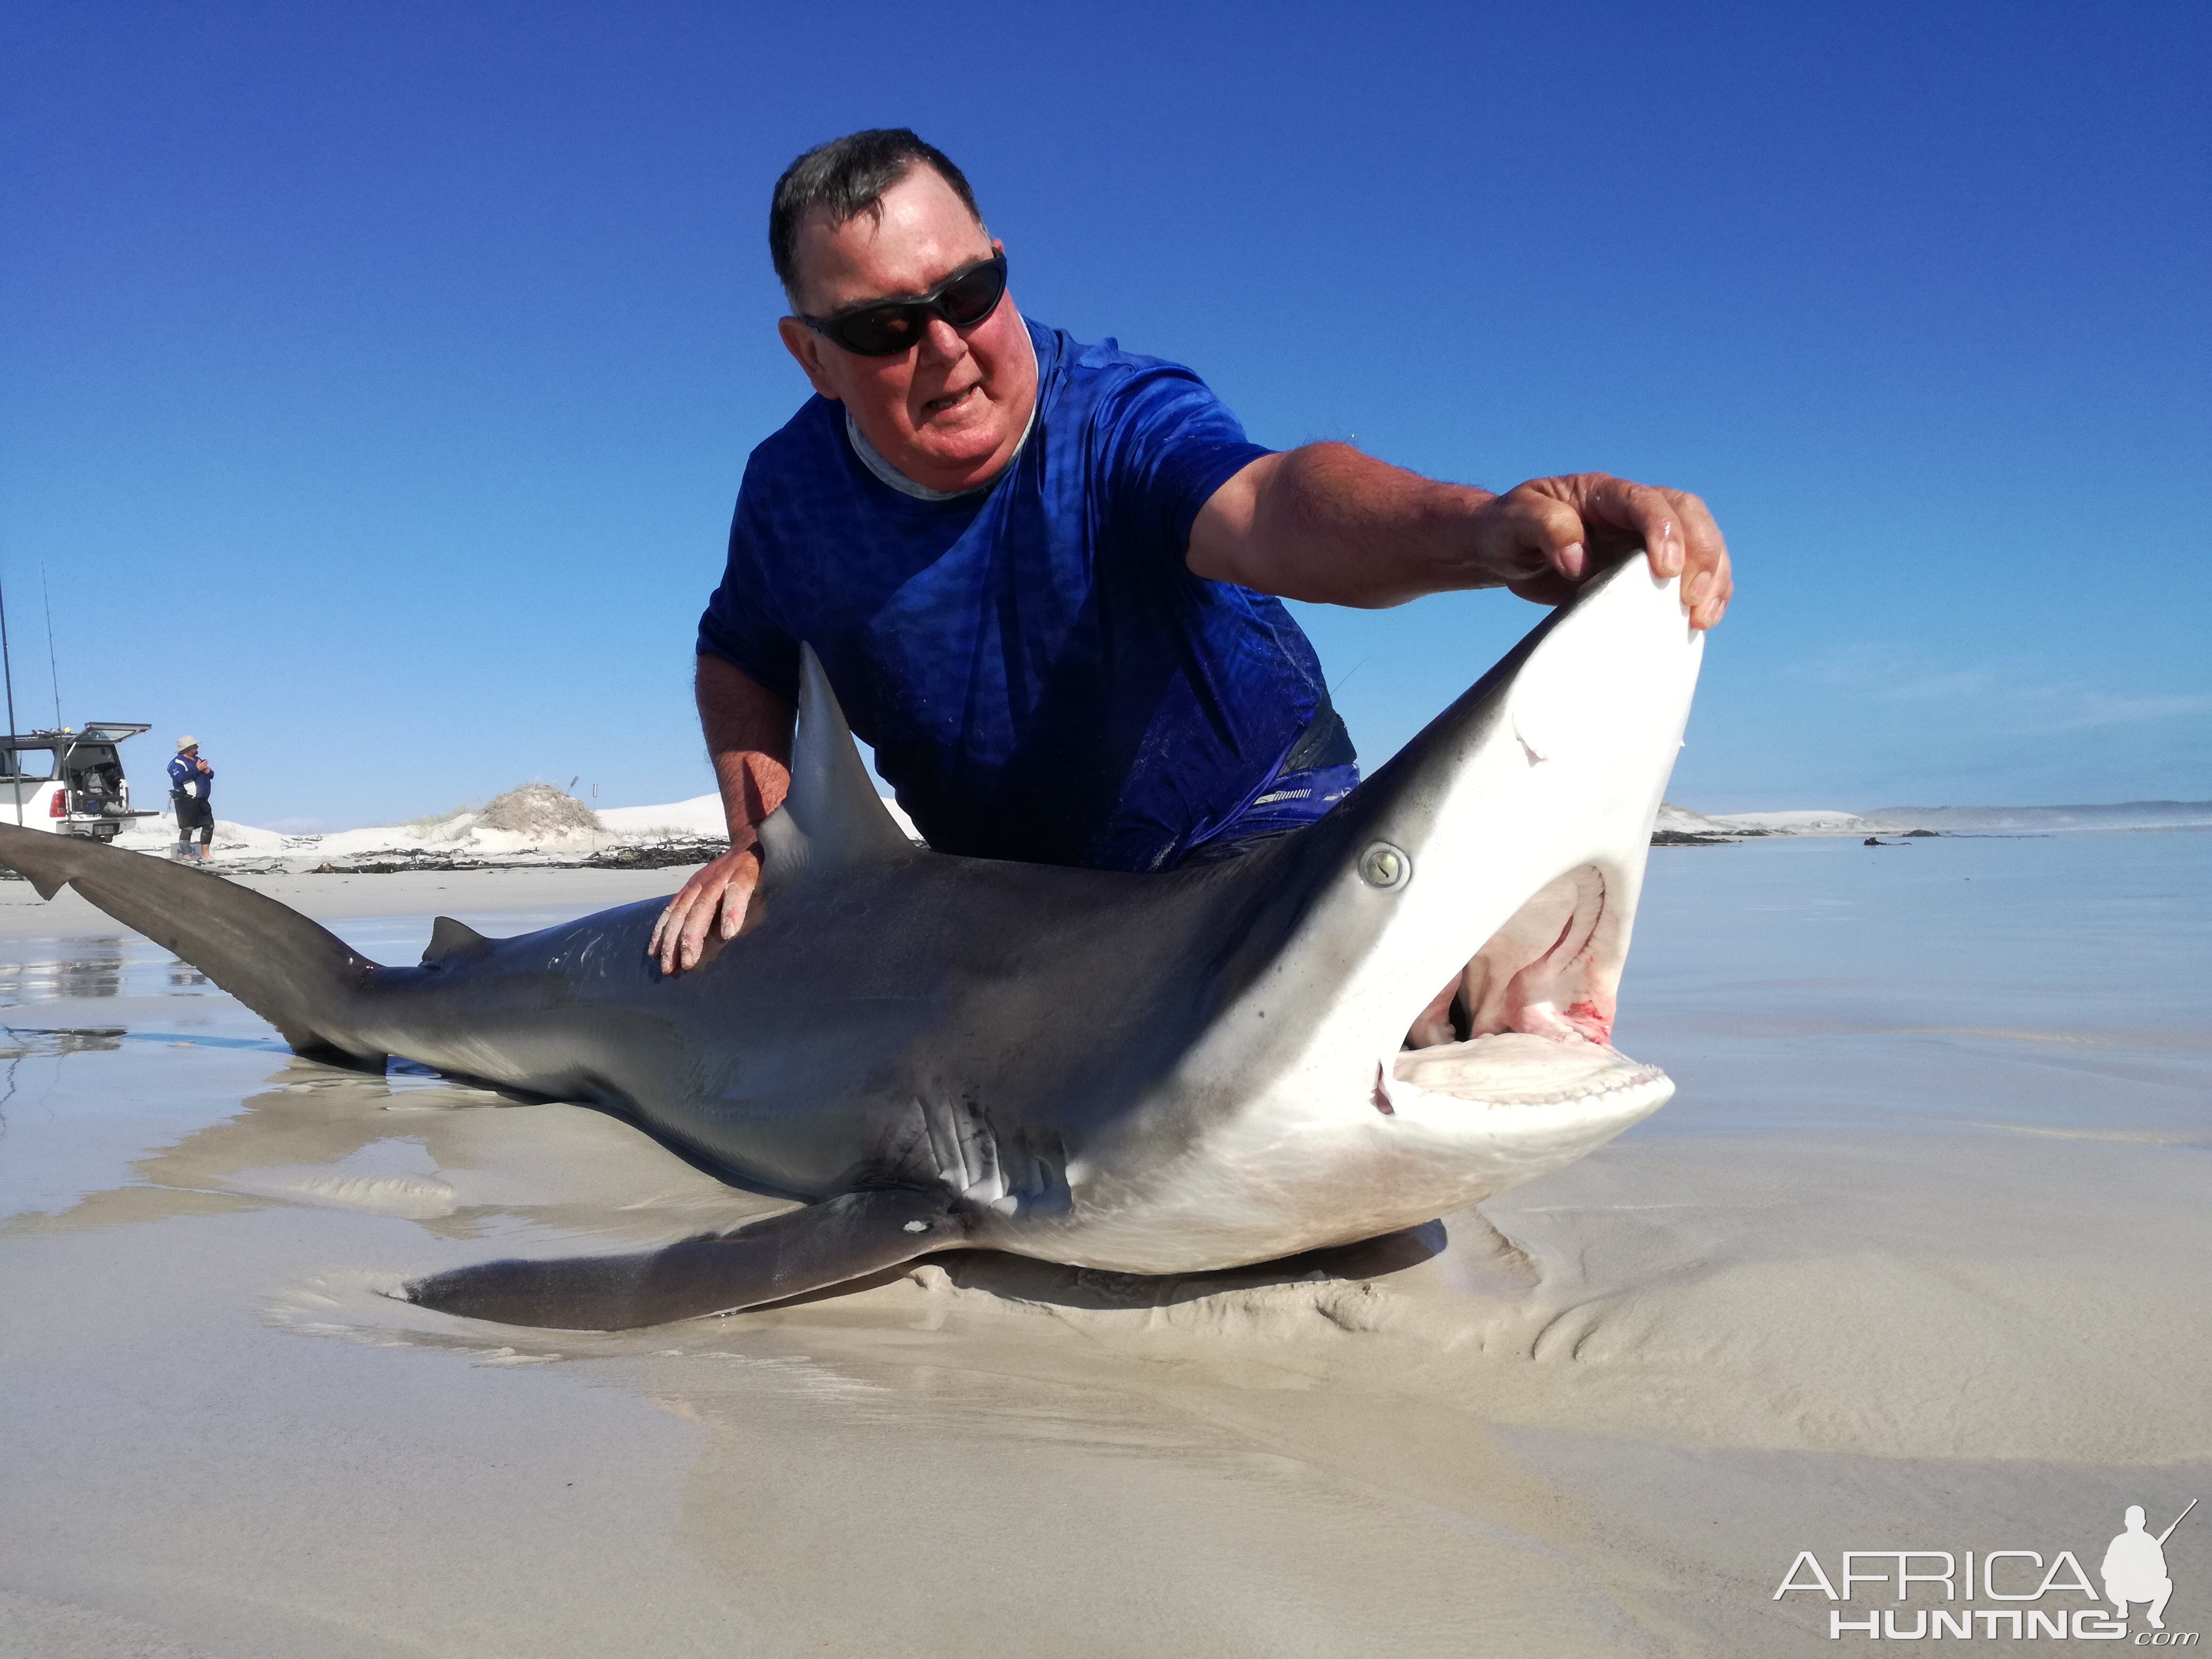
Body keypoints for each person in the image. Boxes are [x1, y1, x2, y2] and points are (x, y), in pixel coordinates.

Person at [652, 129, 1732, 974]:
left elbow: (1270, 504)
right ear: (812, 357)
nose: (947, 348)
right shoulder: (790, 493)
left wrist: (1477, 531)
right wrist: (771, 841)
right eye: (885, 327)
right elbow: (740, 652)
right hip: (1010, 896)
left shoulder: (1116, 419)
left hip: (1258, 828)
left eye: (968, 296)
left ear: (1000, 269)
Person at [2101, 1505, 2175, 1629]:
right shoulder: (2119, 1541)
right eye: (2132, 1521)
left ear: (2144, 1523)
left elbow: (2162, 1571)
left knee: (2167, 1584)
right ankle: (2122, 1606)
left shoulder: (2151, 1542)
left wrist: (2146, 1571)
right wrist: (2123, 1572)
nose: (2134, 1524)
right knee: (2110, 1583)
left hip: (2145, 1589)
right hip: (2122, 1589)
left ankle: (2154, 1615)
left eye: (2137, 1521)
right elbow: (2106, 1570)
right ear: (2126, 1522)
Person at [167, 736, 214, 862]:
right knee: (187, 827)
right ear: (187, 749)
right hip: (186, 800)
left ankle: (206, 854)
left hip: (202, 800)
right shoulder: (176, 763)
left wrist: (208, 771)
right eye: (195, 746)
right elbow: (181, 778)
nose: (197, 748)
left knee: (209, 825)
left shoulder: (198, 760)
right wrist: (198, 769)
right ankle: (186, 855)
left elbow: (211, 775)